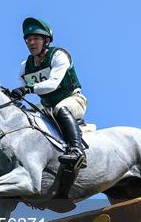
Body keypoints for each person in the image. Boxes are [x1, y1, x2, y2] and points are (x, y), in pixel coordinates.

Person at [10, 17, 88, 169]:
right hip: (47, 107)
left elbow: (52, 84)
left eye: (36, 39)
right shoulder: (25, 66)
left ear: (46, 41)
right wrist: (11, 96)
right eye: (29, 39)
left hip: (73, 100)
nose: (31, 43)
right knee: (26, 116)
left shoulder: (59, 55)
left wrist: (28, 88)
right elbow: (21, 91)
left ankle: (77, 151)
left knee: (60, 108)